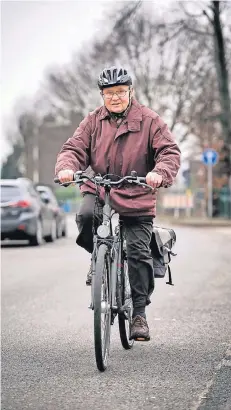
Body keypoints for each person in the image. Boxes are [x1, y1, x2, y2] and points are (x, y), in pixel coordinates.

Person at [55, 66, 181, 341]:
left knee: (138, 252)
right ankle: (98, 257)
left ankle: (138, 314)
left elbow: (169, 152)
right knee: (87, 216)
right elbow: (74, 149)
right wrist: (66, 168)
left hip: (137, 189)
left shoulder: (149, 120)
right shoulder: (92, 121)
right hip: (100, 186)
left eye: (120, 92)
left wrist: (159, 173)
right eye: (109, 93)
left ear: (130, 92)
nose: (115, 98)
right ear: (102, 95)